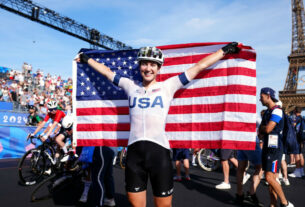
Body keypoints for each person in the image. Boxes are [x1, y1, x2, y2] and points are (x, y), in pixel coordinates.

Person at [76, 42, 240, 207]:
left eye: (153, 64)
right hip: (134, 156)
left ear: (159, 68)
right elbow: (107, 72)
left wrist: (223, 51)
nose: (148, 68)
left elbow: (199, 66)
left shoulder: (168, 86)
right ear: (139, 66)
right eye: (145, 63)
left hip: (159, 154)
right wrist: (86, 58)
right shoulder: (129, 85)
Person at [259, 87, 294, 207]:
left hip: (275, 150)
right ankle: (273, 204)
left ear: (268, 96)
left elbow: (267, 129)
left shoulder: (277, 111)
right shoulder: (268, 112)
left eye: (261, 96)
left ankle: (285, 203)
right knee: (271, 180)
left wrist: (262, 128)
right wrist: (263, 129)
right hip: (268, 148)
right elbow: (263, 131)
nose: (259, 99)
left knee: (269, 178)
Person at [235, 114, 263, 206]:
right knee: (260, 167)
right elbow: (262, 126)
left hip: (240, 140)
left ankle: (239, 195)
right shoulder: (253, 115)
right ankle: (251, 193)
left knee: (240, 168)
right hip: (251, 140)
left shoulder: (238, 114)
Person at [289, 107, 305, 178]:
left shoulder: (296, 119)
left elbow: (295, 129)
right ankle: (301, 170)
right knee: (300, 154)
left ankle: (298, 170)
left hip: (297, 139)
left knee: (296, 154)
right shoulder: (302, 118)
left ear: (295, 111)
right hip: (302, 138)